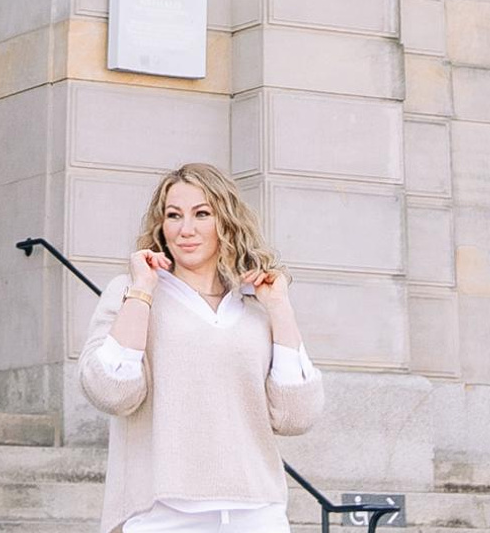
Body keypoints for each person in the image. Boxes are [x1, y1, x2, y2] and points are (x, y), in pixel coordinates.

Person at [78, 164, 323, 533]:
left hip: (256, 512)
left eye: (202, 214)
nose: (185, 229)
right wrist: (142, 290)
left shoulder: (257, 303)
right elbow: (112, 392)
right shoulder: (130, 291)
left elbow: (296, 415)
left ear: (226, 221)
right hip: (161, 514)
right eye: (173, 215)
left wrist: (280, 307)